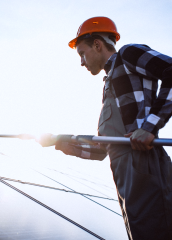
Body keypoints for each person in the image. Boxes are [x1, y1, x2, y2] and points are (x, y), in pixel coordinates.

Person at [55, 16, 172, 240]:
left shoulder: (128, 54)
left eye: (82, 53)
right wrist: (62, 144)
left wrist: (149, 126)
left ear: (97, 44)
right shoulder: (109, 84)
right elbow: (103, 151)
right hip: (125, 179)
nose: (81, 61)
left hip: (144, 166)